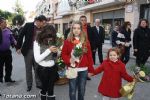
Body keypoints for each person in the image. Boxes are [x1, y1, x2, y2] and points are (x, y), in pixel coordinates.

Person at [61, 21, 94, 100]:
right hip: (72, 69)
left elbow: (89, 56)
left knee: (82, 90)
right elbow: (63, 54)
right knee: (72, 90)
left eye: (78, 28)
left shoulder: (86, 42)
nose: (76, 30)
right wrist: (69, 60)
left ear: (81, 30)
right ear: (72, 29)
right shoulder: (67, 41)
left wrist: (91, 70)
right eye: (74, 28)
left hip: (83, 70)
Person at [16, 15, 47, 91]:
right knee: (28, 68)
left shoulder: (43, 28)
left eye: (44, 23)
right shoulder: (28, 25)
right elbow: (21, 35)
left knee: (37, 68)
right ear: (37, 21)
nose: (43, 24)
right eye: (42, 23)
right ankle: (29, 85)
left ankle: (38, 83)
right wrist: (18, 47)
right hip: (28, 50)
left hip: (38, 52)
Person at [34, 24, 59, 100]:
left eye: (52, 37)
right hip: (42, 69)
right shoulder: (37, 42)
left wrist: (57, 52)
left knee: (51, 90)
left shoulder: (54, 40)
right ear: (44, 34)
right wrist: (49, 50)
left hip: (53, 68)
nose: (50, 39)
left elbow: (55, 56)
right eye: (49, 37)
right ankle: (42, 95)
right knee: (44, 88)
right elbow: (37, 59)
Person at [0, 17, 16, 83]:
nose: (6, 24)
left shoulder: (8, 30)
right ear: (0, 23)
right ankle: (0, 78)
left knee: (9, 66)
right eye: (4, 22)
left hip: (7, 51)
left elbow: (12, 38)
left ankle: (8, 78)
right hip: (0, 52)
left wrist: (15, 42)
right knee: (0, 67)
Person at [79, 15, 94, 80]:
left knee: (88, 61)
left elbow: (93, 38)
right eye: (82, 20)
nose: (83, 21)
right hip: (79, 46)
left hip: (88, 47)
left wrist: (93, 47)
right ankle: (78, 73)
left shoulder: (89, 28)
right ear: (79, 21)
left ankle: (87, 74)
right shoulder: (77, 28)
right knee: (80, 60)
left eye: (84, 20)